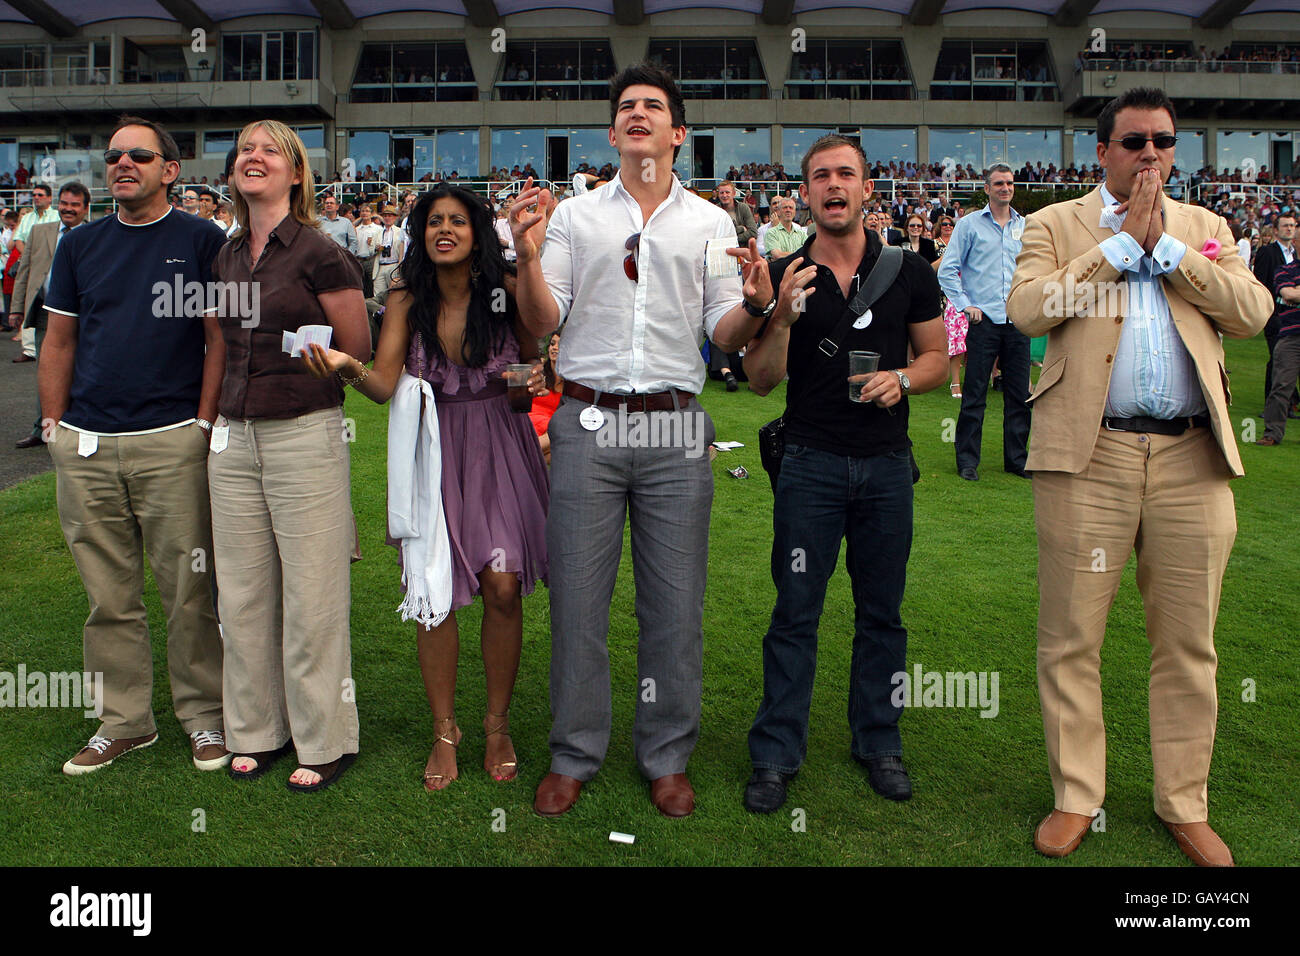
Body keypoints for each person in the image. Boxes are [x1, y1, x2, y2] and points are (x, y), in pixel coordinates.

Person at [1007, 87, 1272, 866]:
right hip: (1090, 458)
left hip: (1194, 458)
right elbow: (1028, 310)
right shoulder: (1054, 223)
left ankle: (1184, 802)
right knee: (1070, 638)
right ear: (1103, 151)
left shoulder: (1209, 229)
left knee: (1190, 642)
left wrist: (1172, 253)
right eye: (1134, 142)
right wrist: (1121, 246)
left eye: (1163, 141)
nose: (1150, 154)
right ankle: (1075, 797)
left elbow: (1251, 313)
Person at [511, 63, 768, 819]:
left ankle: (666, 755)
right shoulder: (574, 217)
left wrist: (755, 307)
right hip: (586, 419)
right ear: (614, 129)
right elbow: (540, 321)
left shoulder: (712, 223)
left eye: (653, 106)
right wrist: (525, 258)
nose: (638, 114)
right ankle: (574, 752)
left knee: (674, 603)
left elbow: (725, 330)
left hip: (675, 421)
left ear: (678, 133)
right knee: (580, 603)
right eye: (626, 106)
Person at [302, 184, 549, 789]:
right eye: (434, 220)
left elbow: (533, 356)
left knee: (503, 584)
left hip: (500, 442)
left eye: (458, 221)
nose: (445, 229)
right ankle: (445, 732)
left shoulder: (508, 287)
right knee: (434, 591)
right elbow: (385, 383)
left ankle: (496, 725)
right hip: (433, 447)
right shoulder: (406, 296)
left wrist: (536, 376)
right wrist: (346, 368)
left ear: (477, 231)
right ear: (420, 232)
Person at [740, 134, 947, 814]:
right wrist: (779, 317)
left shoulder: (909, 269)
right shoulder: (783, 267)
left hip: (887, 468)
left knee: (882, 615)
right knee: (795, 612)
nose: (834, 185)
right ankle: (774, 754)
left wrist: (902, 379)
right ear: (806, 193)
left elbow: (937, 359)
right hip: (809, 464)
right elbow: (761, 383)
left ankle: (879, 742)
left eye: (846, 174)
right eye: (821, 175)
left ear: (866, 189)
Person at [39, 115, 228, 775]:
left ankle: (206, 719)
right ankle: (123, 723)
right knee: (108, 598)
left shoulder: (204, 238)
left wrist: (203, 425)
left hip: (172, 440)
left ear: (169, 170)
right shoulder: (79, 244)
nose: (123, 164)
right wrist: (53, 426)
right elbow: (58, 338)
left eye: (139, 156)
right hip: (87, 445)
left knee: (190, 592)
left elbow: (218, 339)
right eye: (114, 156)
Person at [207, 120, 370, 792]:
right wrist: (207, 423)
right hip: (233, 435)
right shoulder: (223, 254)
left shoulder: (321, 253)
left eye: (270, 149)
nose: (254, 157)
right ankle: (255, 730)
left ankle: (325, 737)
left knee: (312, 595)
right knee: (242, 594)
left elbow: (355, 348)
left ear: (297, 173)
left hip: (304, 429)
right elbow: (217, 345)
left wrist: (323, 359)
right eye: (245, 148)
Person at [937, 163, 1029, 480]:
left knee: (1019, 396)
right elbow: (946, 271)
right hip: (984, 320)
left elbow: (1032, 269)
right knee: (975, 394)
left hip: (1017, 320)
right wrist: (966, 306)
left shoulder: (1025, 226)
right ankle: (967, 461)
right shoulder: (970, 225)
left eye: (1010, 183)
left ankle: (1016, 460)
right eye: (999, 183)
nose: (1006, 188)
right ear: (987, 188)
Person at [10, 182, 90, 449]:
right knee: (48, 373)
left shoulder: (96, 234)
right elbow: (25, 271)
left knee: (83, 371)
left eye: (75, 205)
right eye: (64, 204)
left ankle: (79, 427)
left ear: (85, 209)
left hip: (85, 315)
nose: (68, 209)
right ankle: (43, 430)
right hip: (46, 312)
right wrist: (17, 308)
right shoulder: (39, 231)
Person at [1253, 212, 1297, 415]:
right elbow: (1260, 283)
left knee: (1285, 361)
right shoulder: (1267, 252)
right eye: (1286, 225)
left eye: (1292, 225)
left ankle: (1287, 403)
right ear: (1276, 230)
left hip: (1292, 316)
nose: (1289, 228)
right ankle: (1272, 407)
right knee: (1277, 359)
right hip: (1274, 314)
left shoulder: (1295, 255)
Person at [933, 216, 967, 398]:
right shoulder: (952, 250)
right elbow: (943, 273)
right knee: (957, 341)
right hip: (956, 299)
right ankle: (955, 382)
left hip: (981, 298)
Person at [530, 330, 563, 465]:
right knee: (556, 453)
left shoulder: (572, 382)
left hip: (549, 430)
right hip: (530, 421)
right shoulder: (540, 372)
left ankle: (522, 458)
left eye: (559, 345)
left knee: (556, 453)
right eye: (552, 344)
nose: (554, 347)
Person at [716, 180, 757, 246]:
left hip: (742, 250)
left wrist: (733, 239)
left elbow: (753, 232)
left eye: (727, 192)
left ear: (734, 193)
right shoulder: (716, 210)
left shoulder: (743, 208)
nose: (724, 195)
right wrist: (741, 229)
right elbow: (716, 235)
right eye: (721, 193)